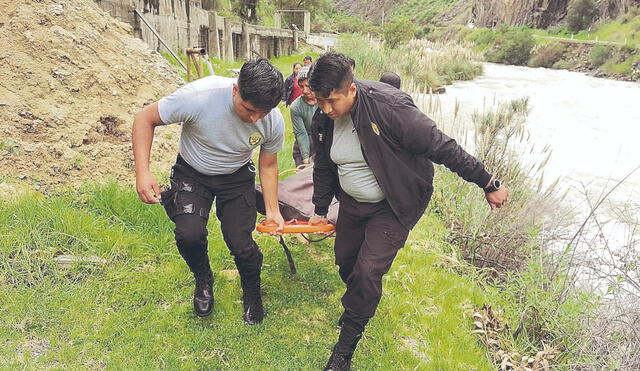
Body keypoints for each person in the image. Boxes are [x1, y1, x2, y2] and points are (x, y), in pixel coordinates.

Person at [307, 52, 508, 370]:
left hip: (395, 201)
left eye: (332, 100)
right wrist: (320, 208)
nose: (326, 109)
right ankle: (359, 301)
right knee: (347, 263)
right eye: (319, 101)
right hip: (353, 202)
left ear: (351, 89)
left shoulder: (390, 108)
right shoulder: (323, 118)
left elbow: (442, 147)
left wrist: (488, 182)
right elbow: (324, 166)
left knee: (367, 271)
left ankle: (344, 349)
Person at [132, 59, 286, 325]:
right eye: (249, 110)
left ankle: (251, 292)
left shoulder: (271, 119)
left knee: (241, 242)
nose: (254, 119)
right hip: (193, 172)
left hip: (236, 177)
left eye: (262, 113)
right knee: (189, 234)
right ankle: (203, 278)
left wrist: (273, 211)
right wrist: (142, 173)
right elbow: (145, 118)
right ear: (236, 90)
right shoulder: (200, 97)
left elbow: (269, 163)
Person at [290, 66, 318, 167]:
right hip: (304, 145)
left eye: (308, 85)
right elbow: (301, 134)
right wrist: (305, 159)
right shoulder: (296, 107)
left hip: (321, 142)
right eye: (301, 86)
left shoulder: (325, 101)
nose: (305, 90)